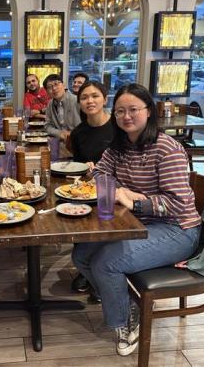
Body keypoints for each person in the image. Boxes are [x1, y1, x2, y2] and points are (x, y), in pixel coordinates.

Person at [72, 84, 201, 357]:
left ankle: (126, 322)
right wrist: (122, 189)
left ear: (149, 111)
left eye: (133, 110)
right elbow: (99, 174)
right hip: (138, 224)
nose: (126, 116)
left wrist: (136, 201)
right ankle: (128, 303)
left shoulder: (166, 149)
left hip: (178, 229)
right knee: (81, 254)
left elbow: (178, 203)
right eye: (120, 111)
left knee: (106, 263)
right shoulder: (119, 146)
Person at [69, 81, 115, 298]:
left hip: (116, 190)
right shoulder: (78, 133)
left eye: (95, 96)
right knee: (75, 214)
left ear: (105, 99)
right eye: (84, 97)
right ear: (79, 102)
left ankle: (99, 273)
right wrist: (84, 170)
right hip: (89, 189)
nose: (90, 101)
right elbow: (77, 166)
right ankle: (86, 269)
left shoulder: (119, 127)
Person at [43, 74, 81, 142]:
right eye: (49, 87)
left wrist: (72, 134)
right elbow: (47, 126)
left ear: (64, 85)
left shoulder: (77, 101)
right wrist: (59, 133)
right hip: (61, 142)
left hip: (79, 141)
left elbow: (88, 125)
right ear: (47, 92)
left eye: (56, 84)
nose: (54, 88)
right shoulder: (50, 104)